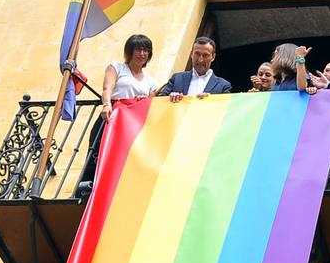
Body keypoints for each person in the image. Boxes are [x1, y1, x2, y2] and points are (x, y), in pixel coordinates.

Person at [79, 34, 157, 192]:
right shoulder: (117, 67)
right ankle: (87, 186)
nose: (142, 54)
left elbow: (150, 106)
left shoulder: (151, 82)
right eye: (139, 49)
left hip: (132, 126)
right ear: (130, 51)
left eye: (146, 50)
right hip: (113, 118)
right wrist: (106, 104)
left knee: (124, 157)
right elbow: (108, 87)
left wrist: (142, 101)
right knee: (99, 151)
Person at [158, 36, 232, 101]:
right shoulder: (176, 79)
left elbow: (227, 111)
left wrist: (211, 102)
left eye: (205, 55)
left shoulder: (223, 86)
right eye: (197, 54)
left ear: (213, 57)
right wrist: (169, 98)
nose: (200, 59)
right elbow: (158, 102)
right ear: (191, 54)